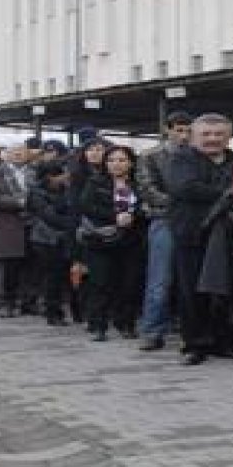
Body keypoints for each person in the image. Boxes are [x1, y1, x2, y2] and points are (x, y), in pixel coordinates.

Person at [165, 114, 233, 366]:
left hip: (230, 236)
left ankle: (225, 342)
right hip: (192, 234)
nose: (213, 139)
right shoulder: (182, 158)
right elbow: (185, 188)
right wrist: (230, 194)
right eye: (206, 134)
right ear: (193, 135)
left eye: (219, 134)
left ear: (228, 136)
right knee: (192, 290)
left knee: (228, 291)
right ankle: (195, 344)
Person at [135, 110, 192, 351]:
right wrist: (181, 203)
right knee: (160, 279)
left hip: (191, 221)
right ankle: (152, 330)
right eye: (179, 130)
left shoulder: (196, 155)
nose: (184, 136)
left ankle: (189, 330)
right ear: (168, 130)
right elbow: (147, 188)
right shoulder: (151, 156)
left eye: (188, 131)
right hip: (165, 219)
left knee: (190, 279)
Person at [79, 146, 145, 341]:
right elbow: (86, 206)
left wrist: (133, 216)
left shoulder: (139, 183)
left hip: (131, 240)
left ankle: (126, 324)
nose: (116, 164)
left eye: (122, 160)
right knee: (100, 283)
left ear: (131, 162)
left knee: (129, 284)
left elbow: (147, 207)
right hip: (101, 241)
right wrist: (114, 217)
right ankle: (98, 325)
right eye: (112, 160)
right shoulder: (95, 182)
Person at [0, 143, 34, 317]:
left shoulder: (35, 172)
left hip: (33, 225)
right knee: (9, 267)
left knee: (31, 266)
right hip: (6, 225)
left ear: (27, 154)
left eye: (21, 151)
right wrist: (18, 202)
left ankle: (28, 302)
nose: (18, 154)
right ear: (6, 154)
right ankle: (8, 303)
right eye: (13, 151)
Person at [26, 160, 76, 326]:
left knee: (63, 276)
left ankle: (68, 311)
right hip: (45, 239)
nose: (67, 176)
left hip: (64, 238)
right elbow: (49, 216)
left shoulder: (66, 189)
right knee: (52, 277)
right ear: (50, 176)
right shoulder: (37, 192)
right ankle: (52, 312)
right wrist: (71, 223)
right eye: (63, 174)